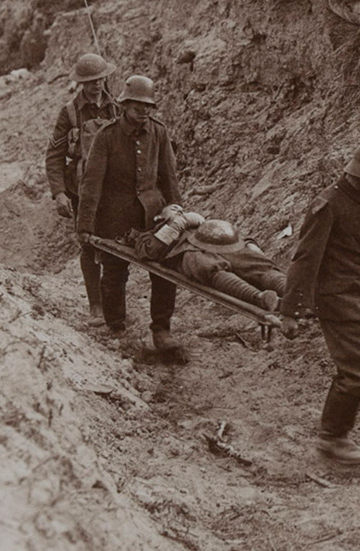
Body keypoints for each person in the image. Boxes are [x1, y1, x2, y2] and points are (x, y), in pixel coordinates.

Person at [280, 140, 360, 465]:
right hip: (338, 302)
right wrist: (290, 311)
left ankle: (338, 435)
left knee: (359, 369)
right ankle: (332, 441)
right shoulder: (328, 204)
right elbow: (306, 259)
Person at [76, 75, 183, 359]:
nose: (143, 112)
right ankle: (116, 326)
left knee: (165, 271)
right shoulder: (107, 136)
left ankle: (161, 329)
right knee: (114, 273)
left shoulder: (159, 133)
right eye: (137, 107)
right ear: (125, 105)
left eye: (148, 107)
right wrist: (85, 227)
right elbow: (91, 184)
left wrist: (177, 214)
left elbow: (169, 177)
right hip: (114, 217)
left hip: (153, 216)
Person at [45, 53, 118, 327]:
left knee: (113, 244)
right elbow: (54, 154)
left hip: (113, 188)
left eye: (100, 79)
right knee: (87, 244)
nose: (96, 86)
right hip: (81, 189)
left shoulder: (116, 108)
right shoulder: (70, 112)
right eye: (90, 81)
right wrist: (59, 193)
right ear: (81, 83)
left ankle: (113, 306)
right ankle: (96, 306)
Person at [127, 206, 286, 311]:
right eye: (173, 210)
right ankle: (260, 298)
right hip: (184, 252)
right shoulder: (153, 234)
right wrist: (179, 222)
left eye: (180, 209)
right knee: (210, 268)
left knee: (254, 263)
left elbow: (225, 234)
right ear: (160, 218)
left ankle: (292, 291)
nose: (178, 210)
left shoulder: (196, 223)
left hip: (218, 245)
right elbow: (149, 252)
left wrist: (249, 244)